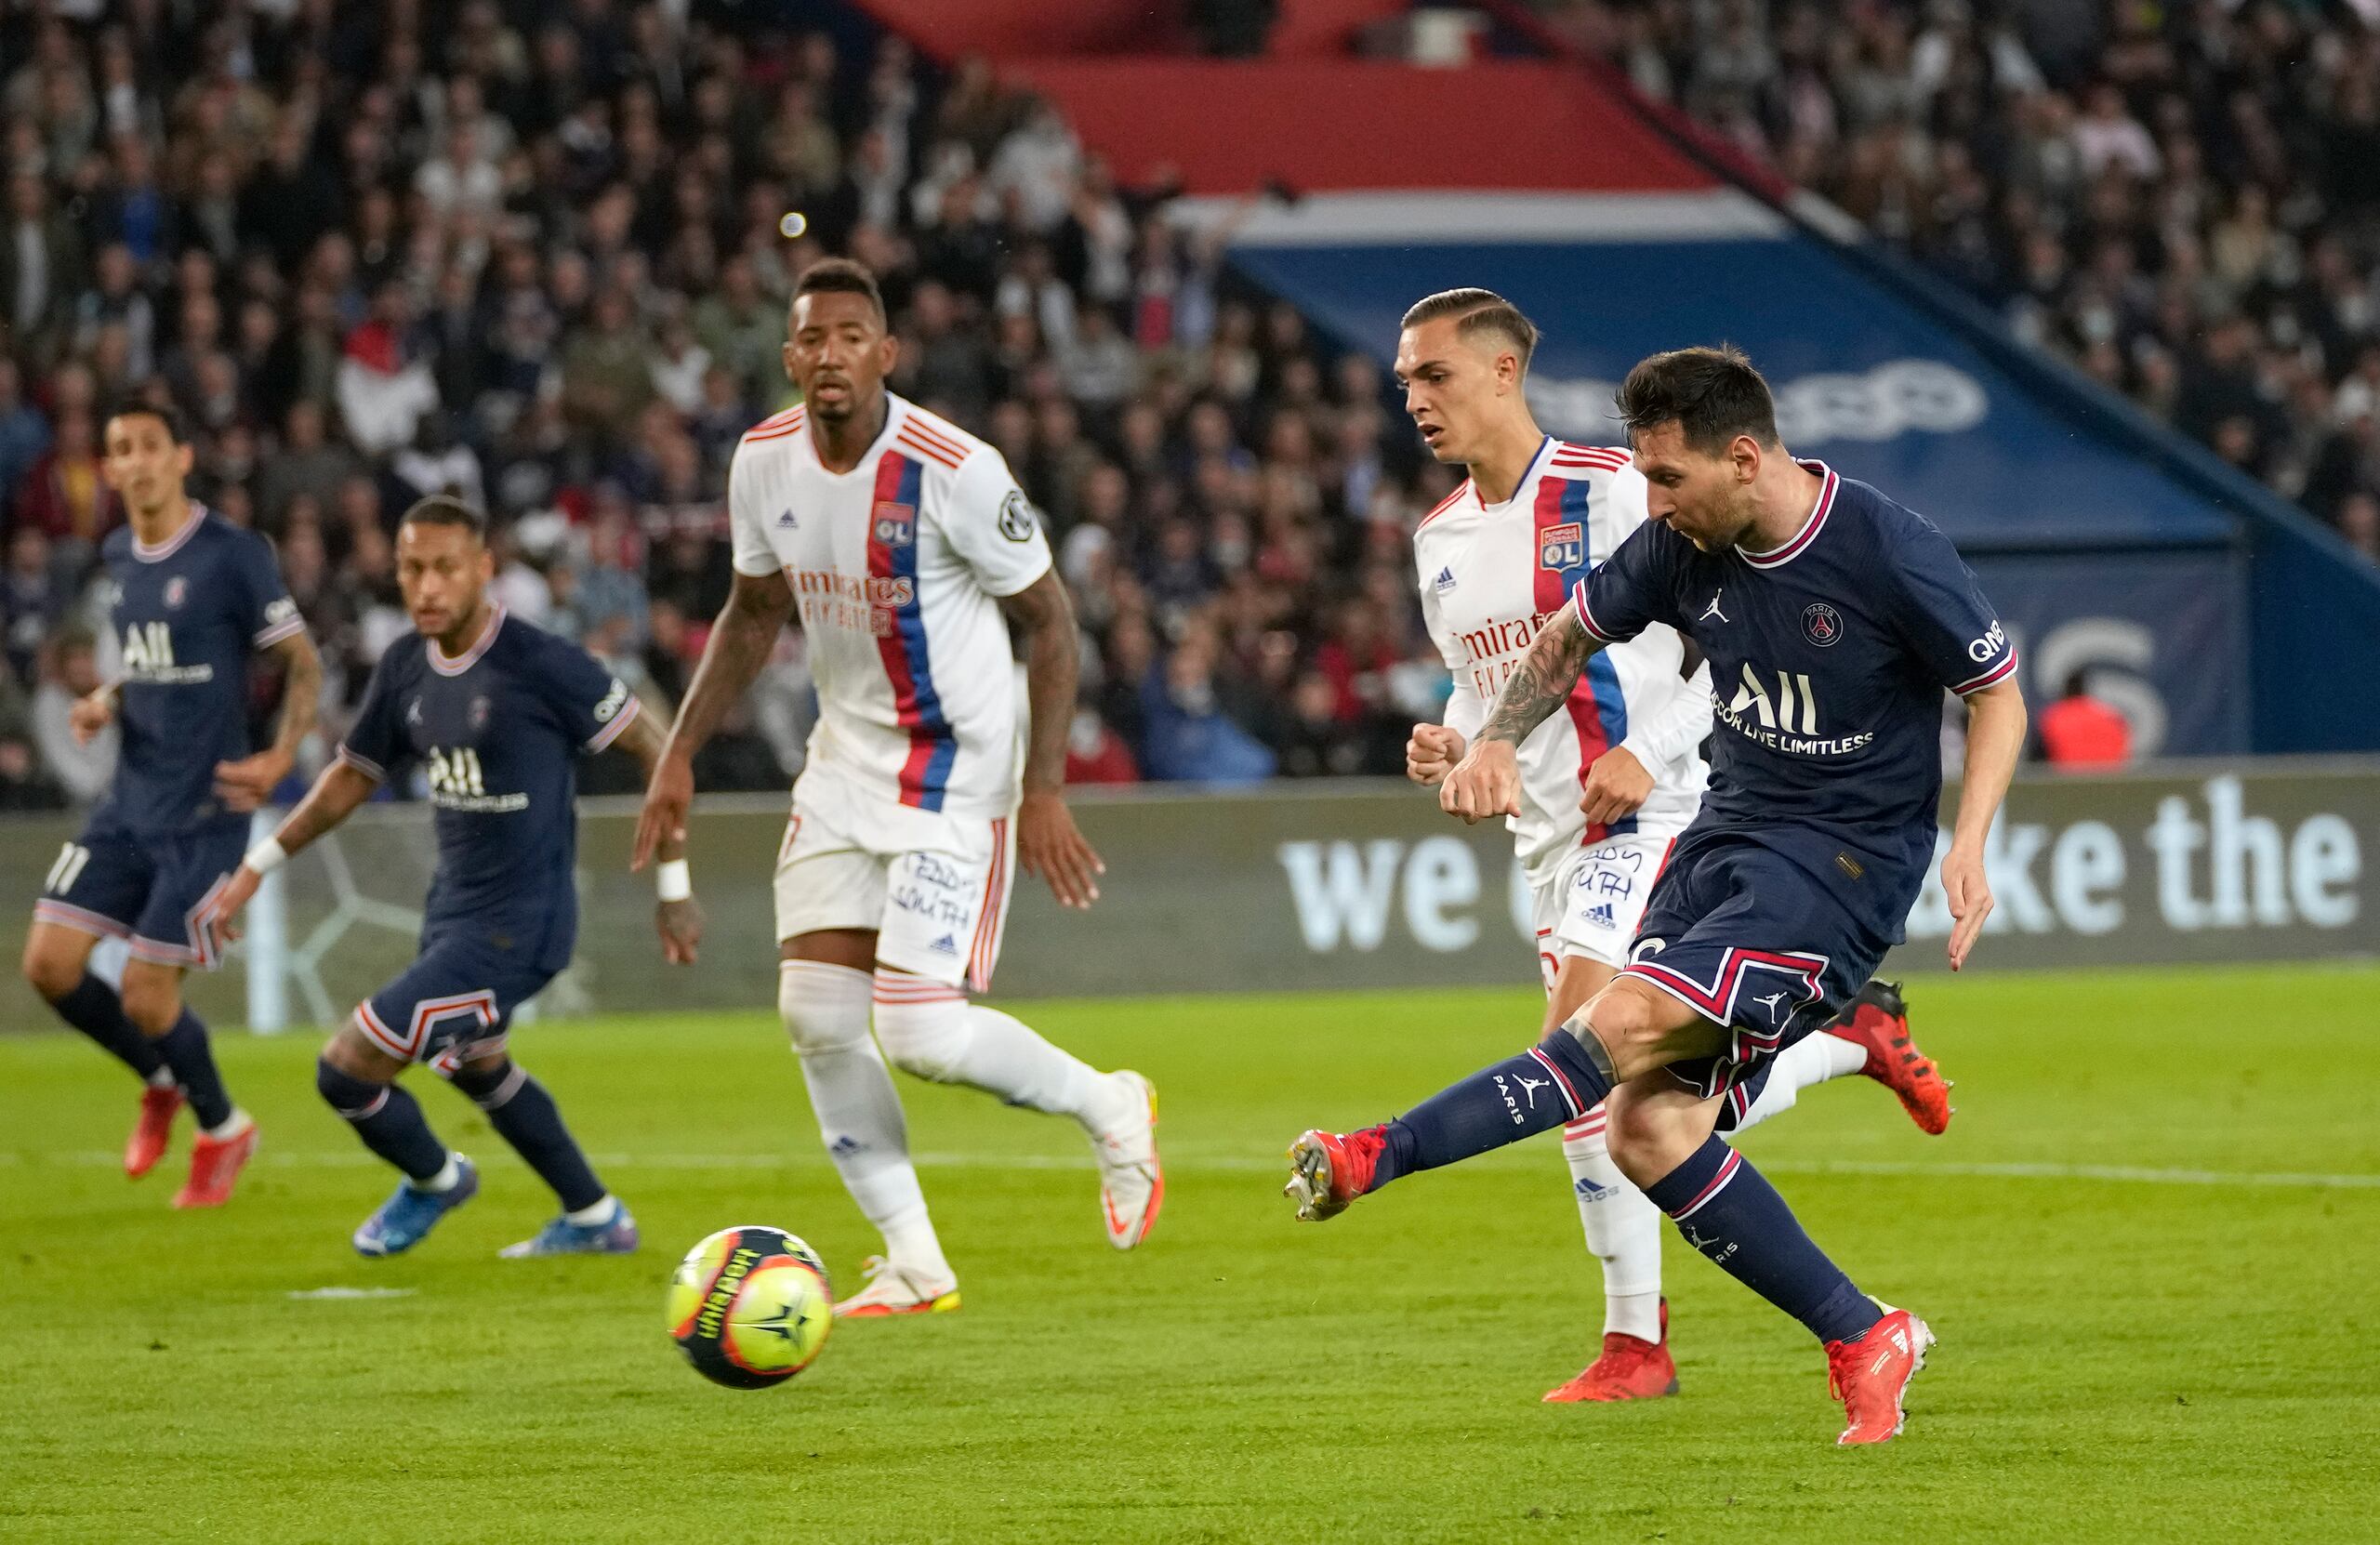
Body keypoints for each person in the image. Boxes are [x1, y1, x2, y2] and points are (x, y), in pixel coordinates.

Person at [1287, 345, 2028, 1446]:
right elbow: (1563, 639)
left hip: (1840, 867)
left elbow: (1995, 693)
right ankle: (1864, 1331)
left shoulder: (1885, 548)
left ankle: (1375, 1155)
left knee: (1611, 1027)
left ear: (1742, 458)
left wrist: (1969, 844)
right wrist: (1488, 743)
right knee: (1645, 1126)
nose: (1653, 502)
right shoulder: (1678, 546)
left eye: (1669, 480)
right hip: (1725, 841)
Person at [1397, 292, 1954, 1404]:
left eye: (1435, 376)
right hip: (1551, 833)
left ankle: (1635, 1344)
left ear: (1504, 374)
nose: (1414, 400)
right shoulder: (1440, 539)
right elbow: (1483, 676)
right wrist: (1460, 742)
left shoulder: (1618, 489)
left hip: (1659, 816)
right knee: (1620, 1087)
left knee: (1584, 1052)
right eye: (1406, 381)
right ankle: (1847, 1038)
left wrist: (1650, 750)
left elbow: (1732, 645)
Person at [634, 258, 1160, 1317]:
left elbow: (1051, 621)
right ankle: (915, 1260)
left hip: (954, 776)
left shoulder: (953, 468)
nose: (828, 355)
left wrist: (1044, 787)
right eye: (809, 339)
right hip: (840, 767)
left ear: (885, 354)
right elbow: (749, 615)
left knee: (918, 1031)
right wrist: (678, 751)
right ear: (788, 358)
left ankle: (1109, 1105)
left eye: (848, 337)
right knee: (817, 1018)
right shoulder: (762, 462)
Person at [206, 495, 704, 1258]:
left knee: (345, 1071)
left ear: (483, 570)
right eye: (412, 569)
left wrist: (673, 890)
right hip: (454, 917)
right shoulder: (407, 663)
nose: (427, 587)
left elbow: (660, 748)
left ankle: (436, 1180)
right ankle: (596, 1217)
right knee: (479, 1068)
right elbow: (351, 777)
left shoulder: (541, 662)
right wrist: (254, 866)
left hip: (521, 931)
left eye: (445, 569)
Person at [19, 402, 321, 1208]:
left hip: (204, 812)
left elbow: (303, 661)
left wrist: (283, 755)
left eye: (151, 446)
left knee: (147, 996)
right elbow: (159, 661)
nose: (138, 462)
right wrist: (106, 700)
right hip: (129, 802)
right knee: (47, 966)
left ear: (182, 457)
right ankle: (161, 1080)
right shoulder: (119, 552)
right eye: (121, 449)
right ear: (109, 469)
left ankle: (222, 1128)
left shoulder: (233, 554)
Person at [2036, 670, 2132, 768]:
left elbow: (2040, 758)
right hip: (2111, 779)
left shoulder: (2054, 717)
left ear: (2065, 692)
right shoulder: (2111, 717)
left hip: (2067, 779)